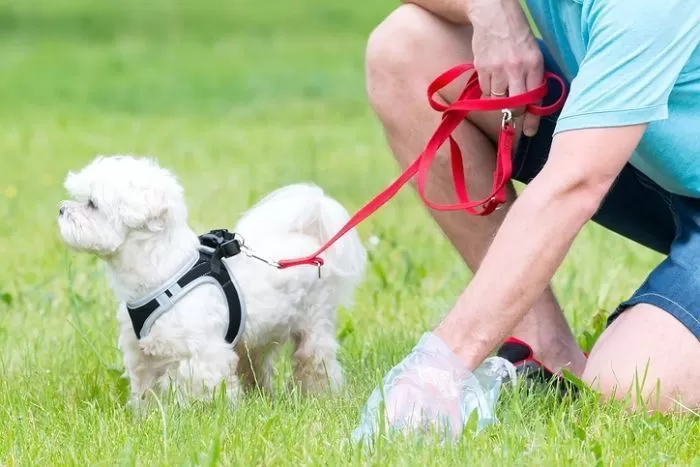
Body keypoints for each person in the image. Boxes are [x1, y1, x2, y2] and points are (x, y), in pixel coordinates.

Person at [361, 0, 700, 427]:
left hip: (623, 149)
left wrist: (441, 364)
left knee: (632, 385)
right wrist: (488, 9)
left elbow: (574, 184)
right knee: (405, 48)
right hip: (653, 146)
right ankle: (547, 357)